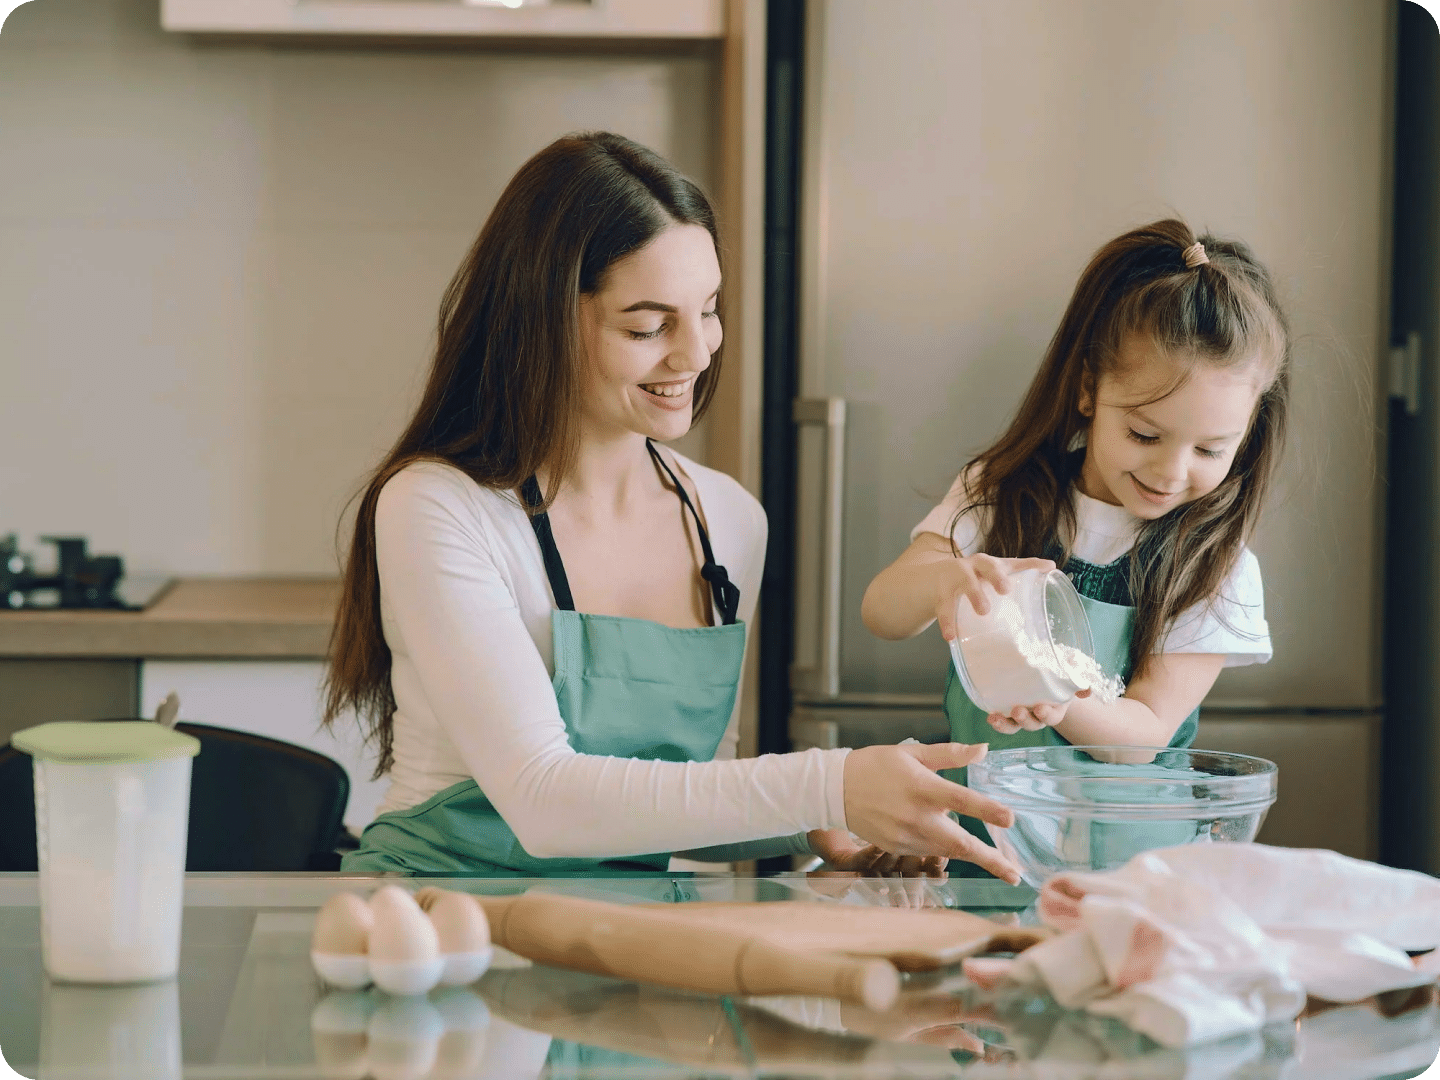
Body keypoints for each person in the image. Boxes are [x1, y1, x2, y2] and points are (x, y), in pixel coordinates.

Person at [323, 131, 1021, 881]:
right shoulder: (438, 507)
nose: (695, 354)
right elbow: (545, 799)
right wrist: (831, 783)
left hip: (619, 941)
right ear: (545, 317)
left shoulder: (726, 521)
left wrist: (828, 823)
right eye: (649, 326)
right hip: (438, 929)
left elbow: (678, 799)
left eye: (709, 311)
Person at [828, 219, 1287, 871]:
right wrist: (942, 582)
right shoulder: (1002, 496)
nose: (1170, 470)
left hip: (1126, 876)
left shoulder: (1214, 568)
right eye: (1145, 435)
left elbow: (1140, 738)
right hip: (982, 854)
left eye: (1210, 448)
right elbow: (882, 611)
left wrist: (1056, 695)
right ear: (1088, 389)